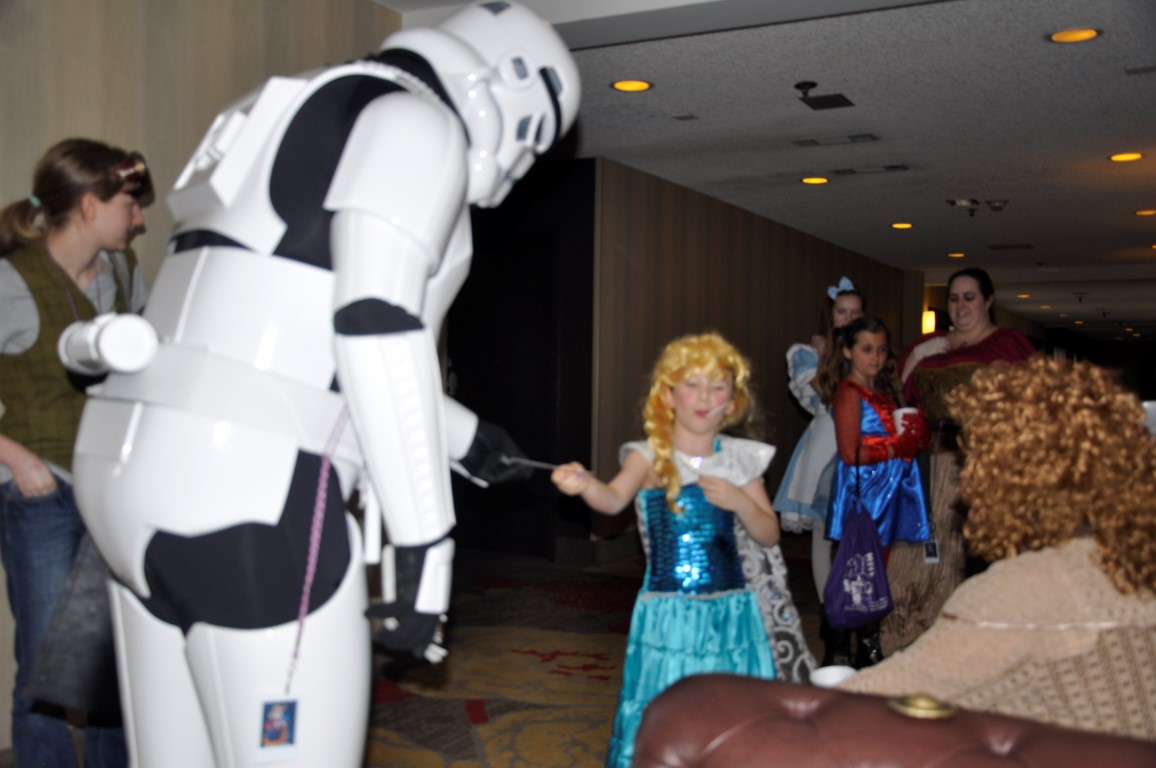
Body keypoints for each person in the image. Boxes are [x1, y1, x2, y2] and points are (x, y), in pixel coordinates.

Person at [59, 3, 580, 766]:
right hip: (251, 490)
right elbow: (373, 324)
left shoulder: (289, 106)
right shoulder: (416, 123)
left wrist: (469, 443)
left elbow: (284, 346)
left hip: (127, 473)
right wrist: (425, 543)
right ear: (509, 87)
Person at [841, 356, 1156, 741]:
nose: (966, 476)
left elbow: (876, 699)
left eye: (977, 457)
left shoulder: (1017, 592)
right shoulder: (1136, 563)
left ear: (1014, 476)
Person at [552, 332, 781, 768]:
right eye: (692, 384)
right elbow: (612, 500)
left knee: (731, 712)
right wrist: (584, 485)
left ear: (732, 402)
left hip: (731, 614)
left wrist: (739, 501)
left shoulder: (739, 461)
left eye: (717, 386)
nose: (705, 397)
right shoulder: (648, 457)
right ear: (669, 395)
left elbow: (769, 533)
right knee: (669, 710)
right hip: (668, 615)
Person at [0, 137, 153, 767]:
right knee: (46, 667)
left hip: (111, 490)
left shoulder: (122, 272)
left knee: (112, 662)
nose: (138, 218)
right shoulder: (13, 280)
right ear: (89, 206)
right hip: (44, 492)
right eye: (128, 204)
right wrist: (17, 459)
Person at [882, 267, 1035, 655]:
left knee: (969, 553)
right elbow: (899, 395)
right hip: (928, 462)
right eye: (953, 298)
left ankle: (968, 641)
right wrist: (919, 357)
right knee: (914, 552)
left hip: (982, 464)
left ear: (988, 301)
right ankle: (908, 638)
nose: (960, 305)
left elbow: (1032, 401)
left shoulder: (1008, 344)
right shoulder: (929, 344)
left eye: (969, 297)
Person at [822, 316, 929, 668]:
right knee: (855, 566)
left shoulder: (882, 392)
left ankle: (867, 644)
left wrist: (913, 435)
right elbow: (850, 453)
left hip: (884, 489)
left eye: (881, 350)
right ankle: (840, 648)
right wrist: (896, 447)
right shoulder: (849, 392)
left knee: (874, 569)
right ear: (848, 351)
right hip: (863, 493)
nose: (876, 357)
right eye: (867, 349)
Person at [772, 276, 863, 664]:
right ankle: (832, 616)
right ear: (831, 314)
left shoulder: (869, 352)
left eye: (855, 313)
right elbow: (825, 396)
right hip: (827, 444)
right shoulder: (809, 353)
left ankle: (862, 610)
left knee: (860, 534)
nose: (849, 319)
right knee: (824, 534)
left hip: (865, 446)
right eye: (842, 312)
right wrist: (831, 355)